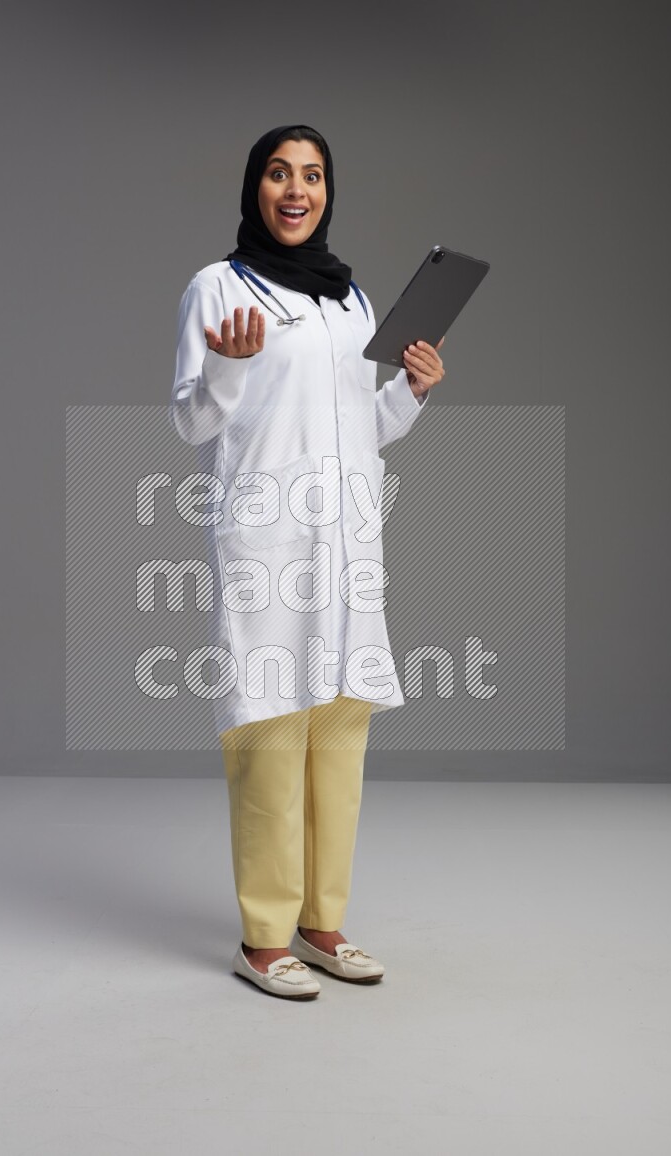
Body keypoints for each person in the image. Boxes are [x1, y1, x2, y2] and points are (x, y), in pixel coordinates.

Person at [170, 124, 445, 999]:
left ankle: (322, 923)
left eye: (314, 176)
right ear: (256, 187)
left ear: (329, 191)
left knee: (340, 738)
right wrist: (223, 365)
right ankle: (262, 937)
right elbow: (191, 421)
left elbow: (369, 427)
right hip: (268, 544)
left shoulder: (351, 300)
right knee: (268, 732)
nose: (297, 190)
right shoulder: (218, 286)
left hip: (348, 546)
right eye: (281, 174)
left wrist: (411, 389)